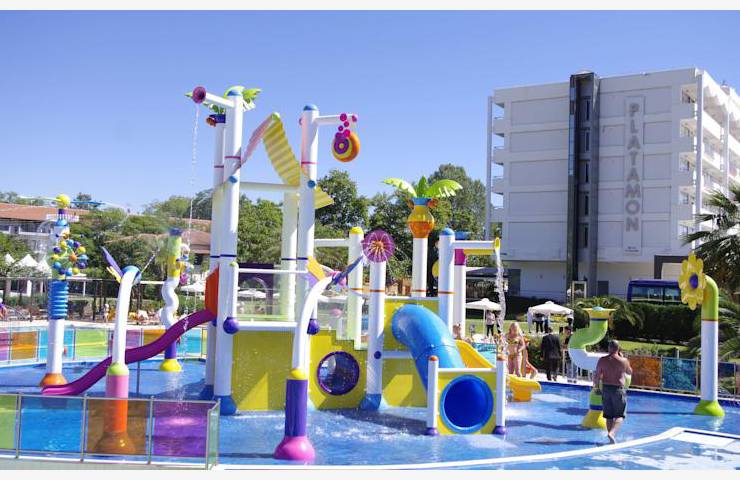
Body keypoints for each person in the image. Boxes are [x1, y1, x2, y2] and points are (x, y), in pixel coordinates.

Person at [593, 339, 633, 444]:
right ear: (618, 348)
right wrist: (622, 357)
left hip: (606, 389)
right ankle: (612, 433)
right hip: (618, 389)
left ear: (609, 348)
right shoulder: (623, 361)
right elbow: (630, 372)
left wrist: (596, 388)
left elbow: (597, 375)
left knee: (608, 416)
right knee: (620, 415)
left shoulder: (602, 360)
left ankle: (610, 437)